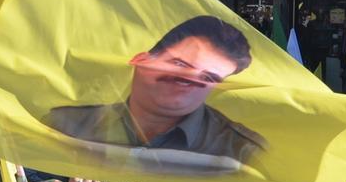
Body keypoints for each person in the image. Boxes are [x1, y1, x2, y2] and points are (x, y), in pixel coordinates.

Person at [44, 16, 266, 169]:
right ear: (140, 60)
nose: (188, 79)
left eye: (208, 78)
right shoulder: (63, 125)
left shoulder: (242, 151)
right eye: (180, 63)